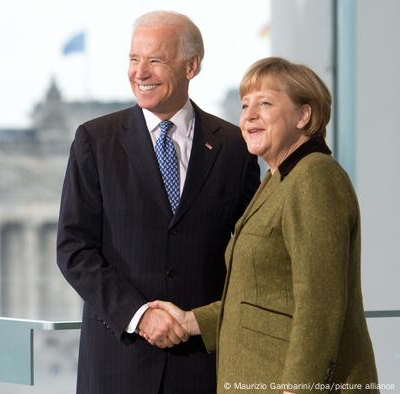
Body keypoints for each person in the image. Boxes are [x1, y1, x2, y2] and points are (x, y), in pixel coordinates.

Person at [56, 10, 260, 394]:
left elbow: (250, 253)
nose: (140, 72)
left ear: (191, 66)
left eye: (155, 60)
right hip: (118, 365)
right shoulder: (95, 141)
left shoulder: (235, 148)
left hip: (204, 365)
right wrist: (139, 314)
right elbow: (74, 249)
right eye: (134, 59)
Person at [150, 57, 379, 392]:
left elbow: (320, 302)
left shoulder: (314, 176)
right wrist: (191, 321)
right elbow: (263, 297)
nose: (249, 116)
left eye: (265, 103)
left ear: (304, 115)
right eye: (245, 105)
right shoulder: (277, 181)